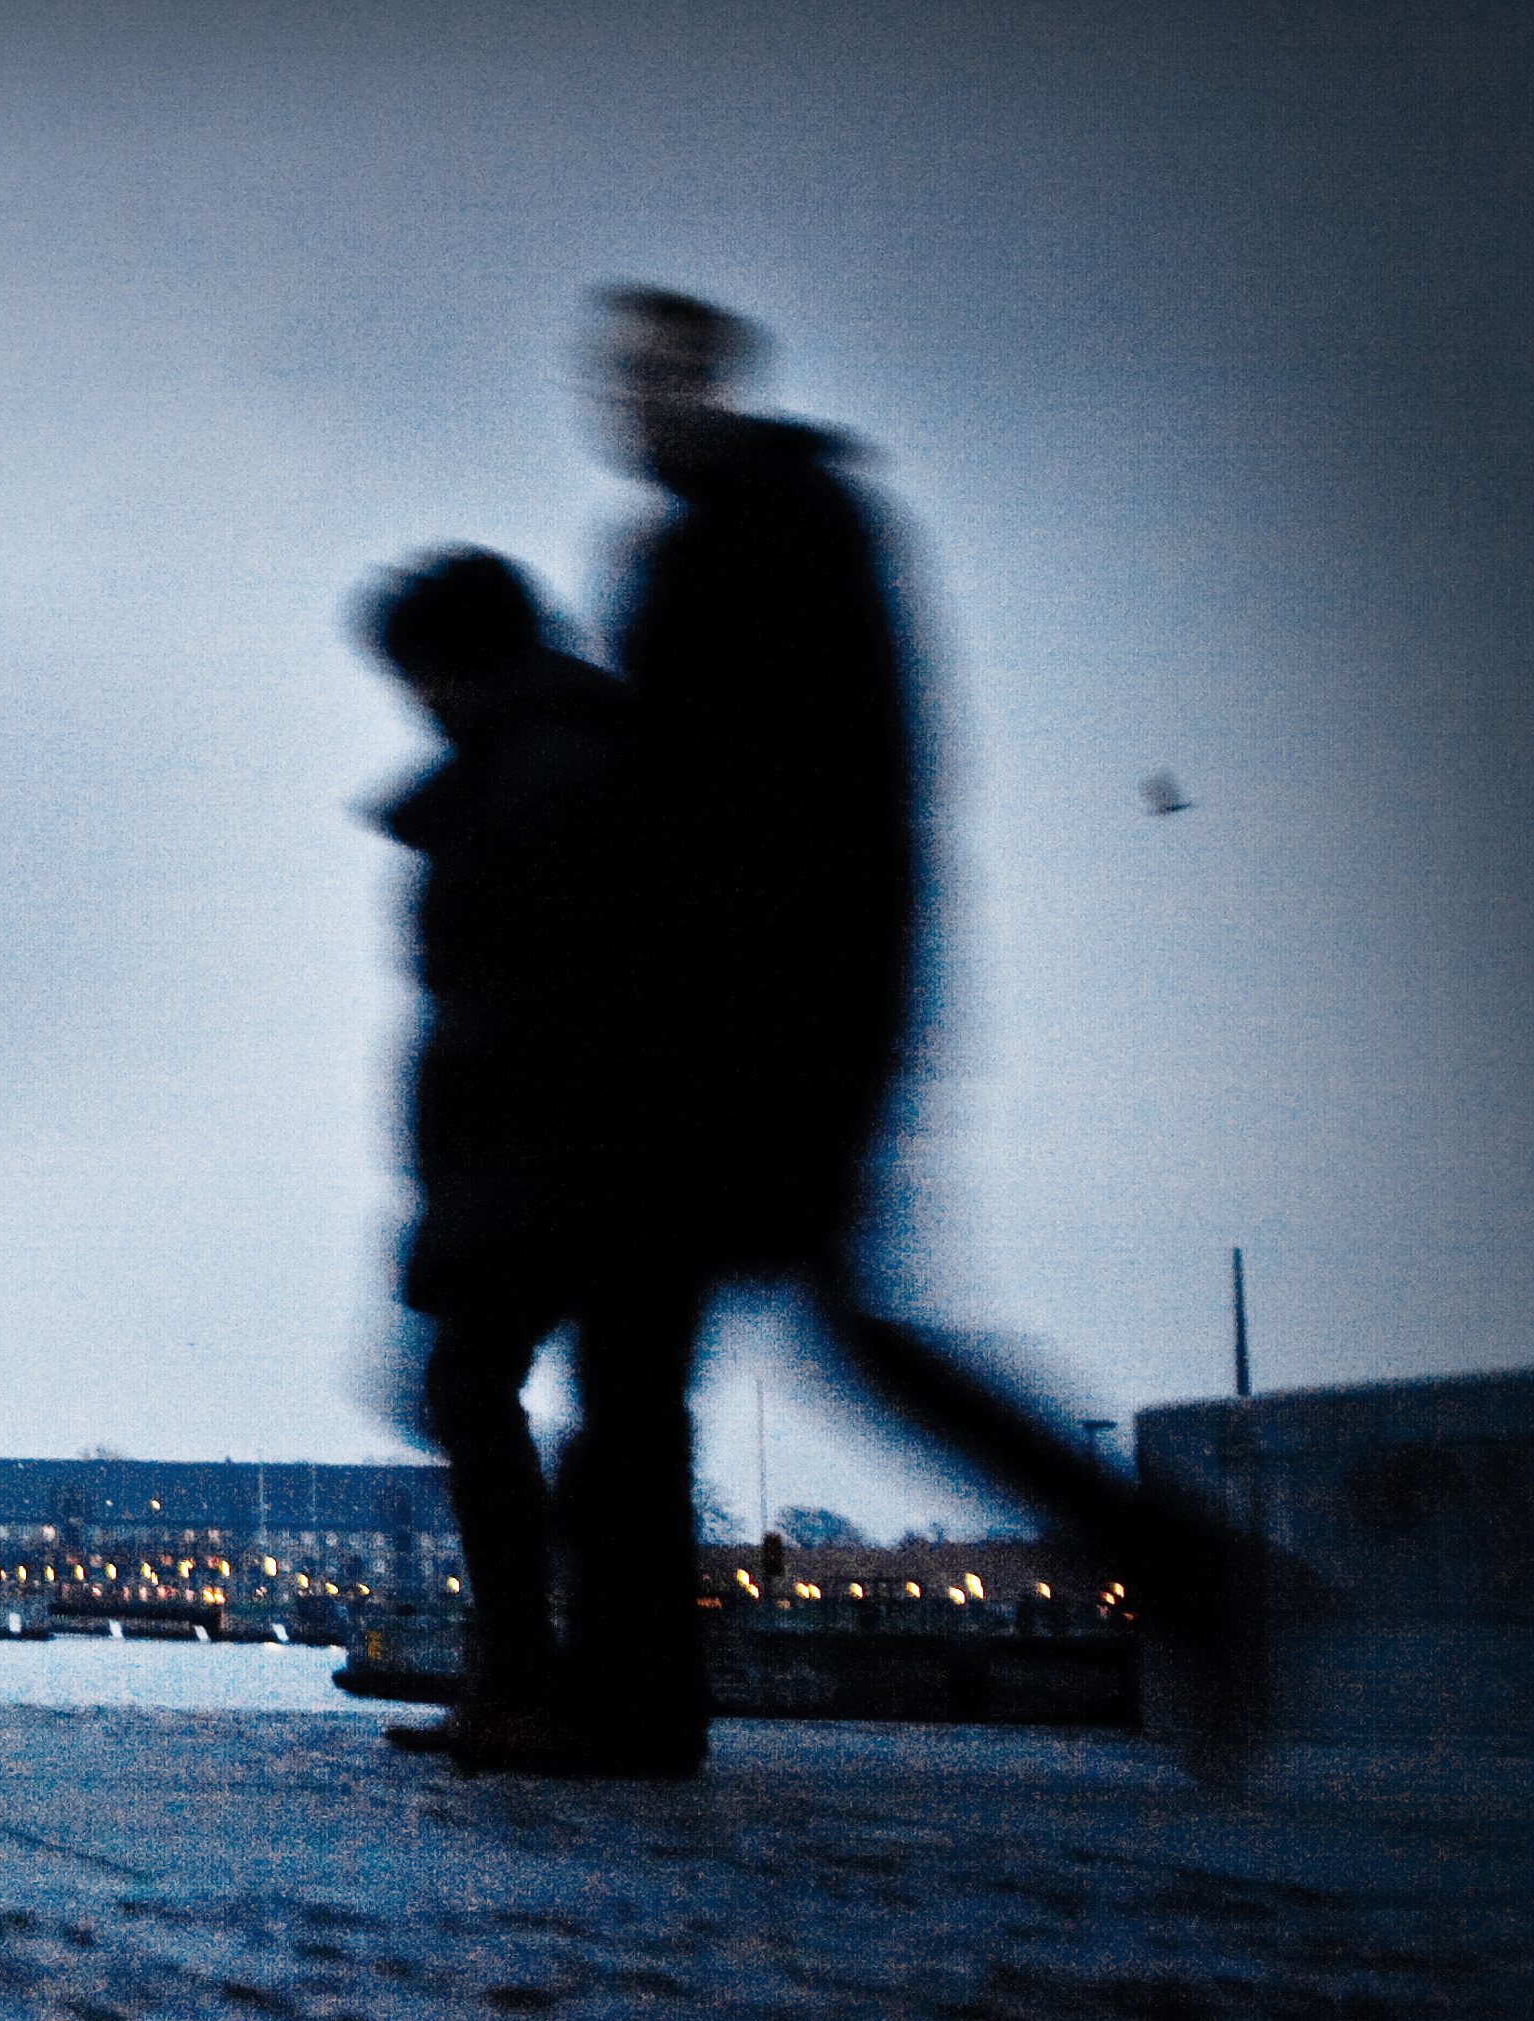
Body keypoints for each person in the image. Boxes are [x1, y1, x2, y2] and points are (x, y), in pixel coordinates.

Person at [452, 286, 1259, 1776]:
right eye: (606, 379)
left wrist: (762, 1018)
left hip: (755, 1030)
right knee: (765, 1343)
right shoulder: (750, 530)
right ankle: (1182, 1569)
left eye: (641, 375)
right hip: (768, 1018)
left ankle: (634, 1701)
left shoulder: (762, 530)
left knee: (673, 1355)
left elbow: (788, 807)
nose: (617, 403)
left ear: (706, 375)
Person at [357, 549, 710, 1774]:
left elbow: (520, 996)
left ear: (456, 663)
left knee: (481, 1396)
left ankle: (531, 1686)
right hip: (596, 1149)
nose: (416, 705)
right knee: (617, 1418)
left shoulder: (540, 778)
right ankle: (614, 1700)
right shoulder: (562, 759)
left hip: (554, 1153)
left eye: (416, 678)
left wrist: (469, 1177)